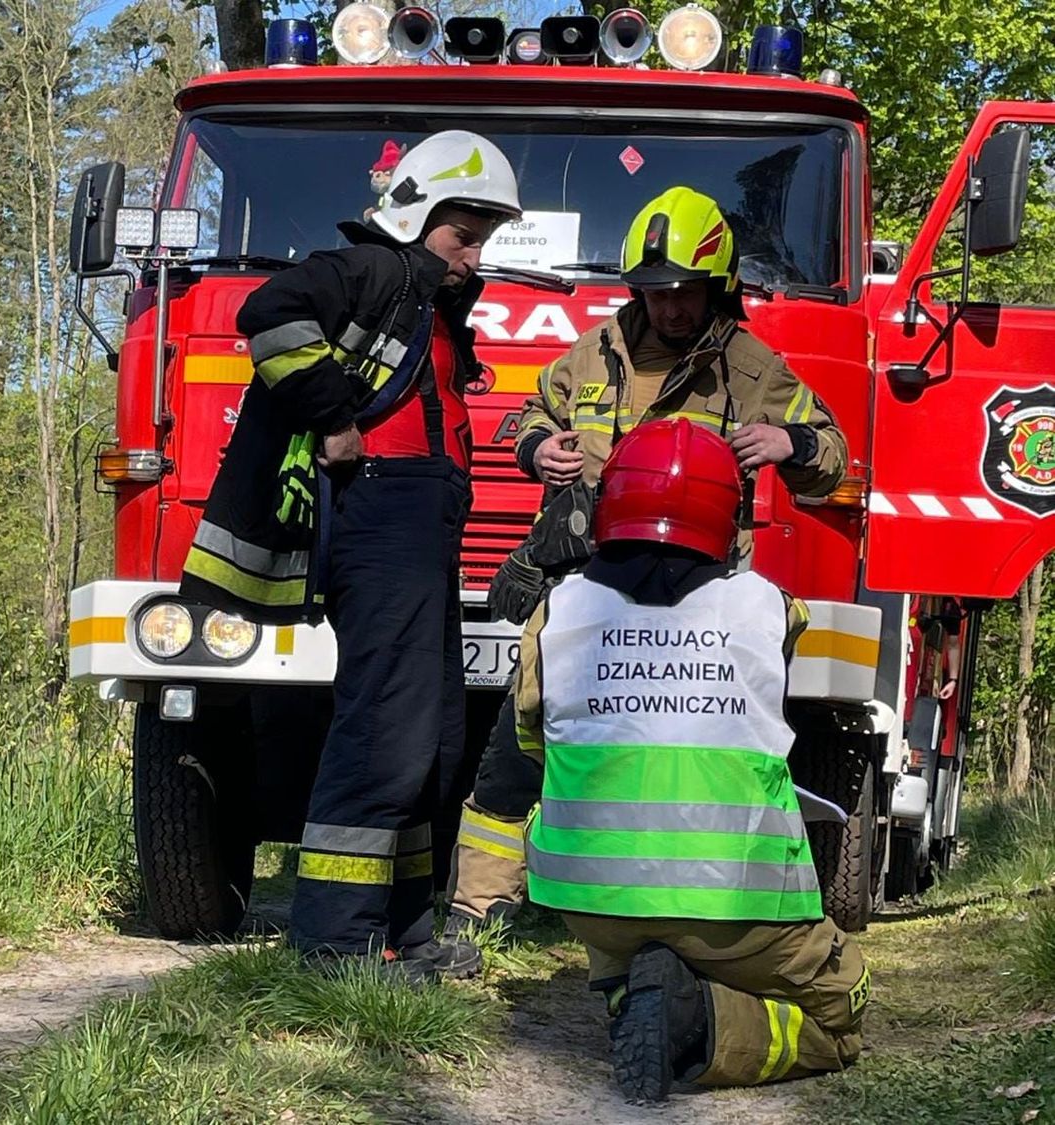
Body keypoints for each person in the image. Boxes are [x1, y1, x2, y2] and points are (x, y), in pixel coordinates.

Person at [441, 186, 848, 957]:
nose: (671, 310)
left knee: (695, 762)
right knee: (518, 742)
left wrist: (789, 445)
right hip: (583, 590)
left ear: (717, 287)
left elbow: (832, 458)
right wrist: (538, 450)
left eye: (686, 293)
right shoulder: (593, 354)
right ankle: (478, 910)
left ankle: (710, 911)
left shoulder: (753, 368)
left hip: (699, 608)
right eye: (656, 294)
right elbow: (529, 415)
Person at [181, 130, 522, 982]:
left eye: (484, 239)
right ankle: (334, 940)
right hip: (384, 518)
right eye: (462, 236)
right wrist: (333, 416)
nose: (473, 258)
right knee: (383, 730)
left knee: (430, 738)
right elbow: (269, 316)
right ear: (414, 217)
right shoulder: (374, 269)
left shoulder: (426, 299)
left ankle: (402, 931)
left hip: (422, 525)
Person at [519, 418, 869, 1099]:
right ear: (726, 516)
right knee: (840, 1013)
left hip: (594, 903)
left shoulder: (557, 610)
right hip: (739, 904)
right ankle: (698, 1024)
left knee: (631, 952)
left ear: (609, 501)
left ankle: (633, 985)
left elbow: (533, 740)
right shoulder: (771, 608)